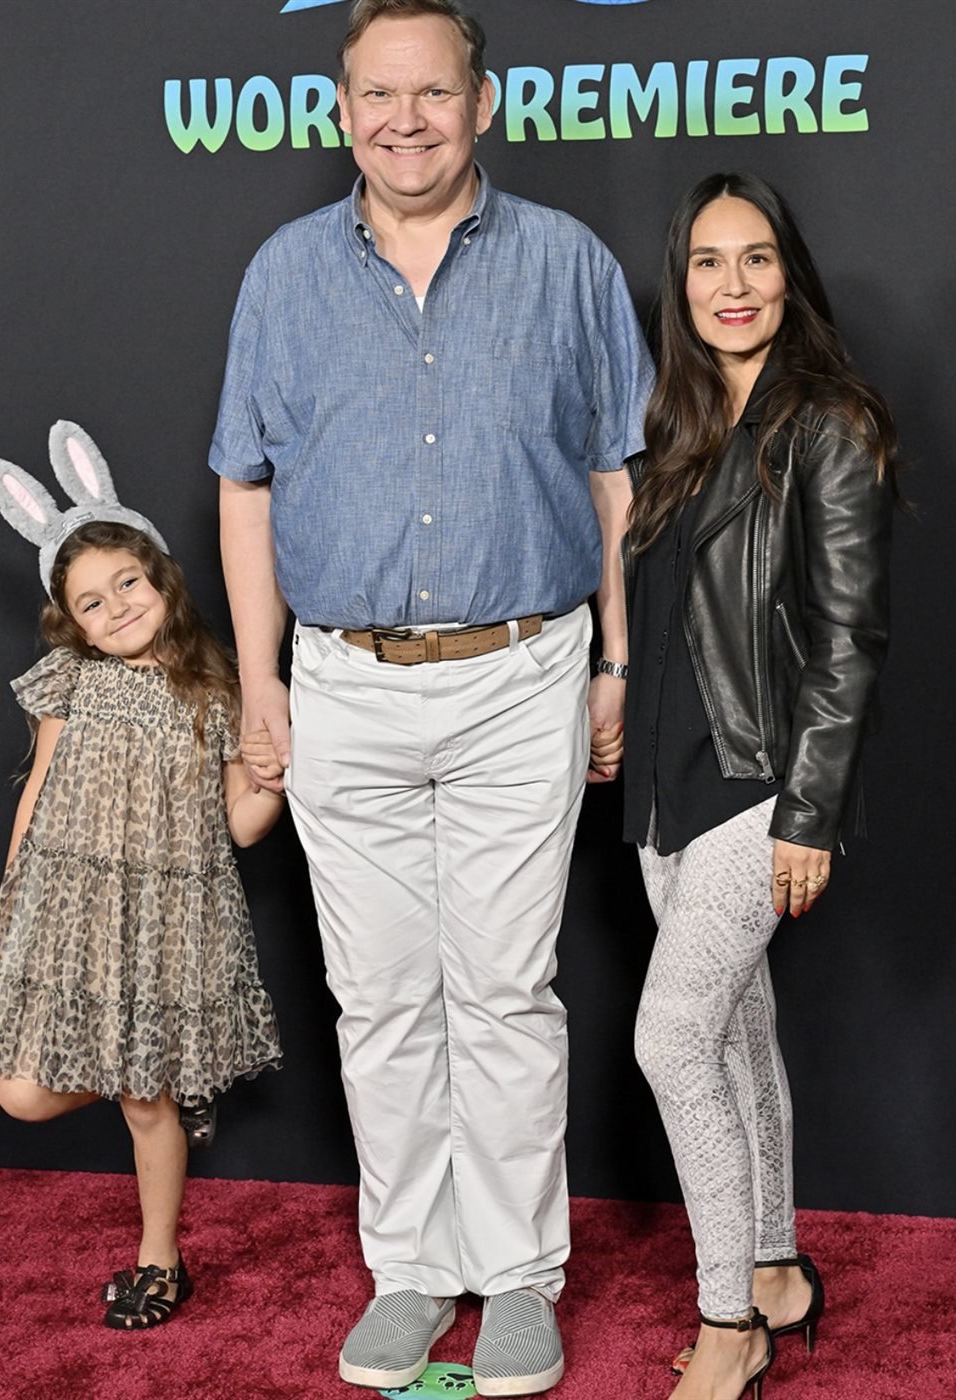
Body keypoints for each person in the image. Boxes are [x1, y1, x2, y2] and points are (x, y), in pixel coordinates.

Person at [211, 0, 652, 1391]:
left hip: (524, 672)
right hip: (342, 683)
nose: (406, 121)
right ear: (342, 108)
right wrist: (262, 684)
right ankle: (408, 1268)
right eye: (378, 95)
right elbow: (244, 485)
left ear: (483, 103)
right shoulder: (284, 273)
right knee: (380, 997)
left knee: (505, 992)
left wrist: (615, 662)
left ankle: (518, 1278)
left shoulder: (566, 262)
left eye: (434, 93)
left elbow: (614, 478)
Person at [622, 172, 897, 1400]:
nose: (730, 286)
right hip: (665, 783)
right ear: (678, 283)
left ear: (789, 273)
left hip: (761, 782)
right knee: (733, 1031)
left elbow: (848, 640)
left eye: (754, 258)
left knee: (670, 1036)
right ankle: (775, 1267)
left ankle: (728, 1323)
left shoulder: (827, 421)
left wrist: (809, 812)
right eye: (705, 262)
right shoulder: (678, 425)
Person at [0, 421, 283, 1330]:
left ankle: (159, 1258)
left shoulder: (217, 691)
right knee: (23, 1092)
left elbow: (240, 827)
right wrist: (16, 903)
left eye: (127, 582)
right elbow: (38, 793)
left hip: (171, 919)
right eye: (92, 603)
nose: (118, 608)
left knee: (143, 1099)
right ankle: (177, 1074)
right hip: (77, 917)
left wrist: (276, 777)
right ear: (73, 623)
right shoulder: (71, 680)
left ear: (160, 573)